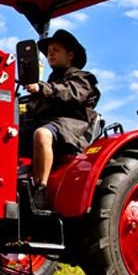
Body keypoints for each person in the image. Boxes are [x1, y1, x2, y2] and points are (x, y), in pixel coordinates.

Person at [21, 29, 100, 209]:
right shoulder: (49, 82)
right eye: (49, 51)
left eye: (56, 50)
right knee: (6, 137)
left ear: (70, 55)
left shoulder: (83, 78)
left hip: (70, 129)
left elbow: (70, 93)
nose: (50, 54)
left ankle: (41, 189)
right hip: (48, 124)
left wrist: (43, 89)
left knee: (42, 134)